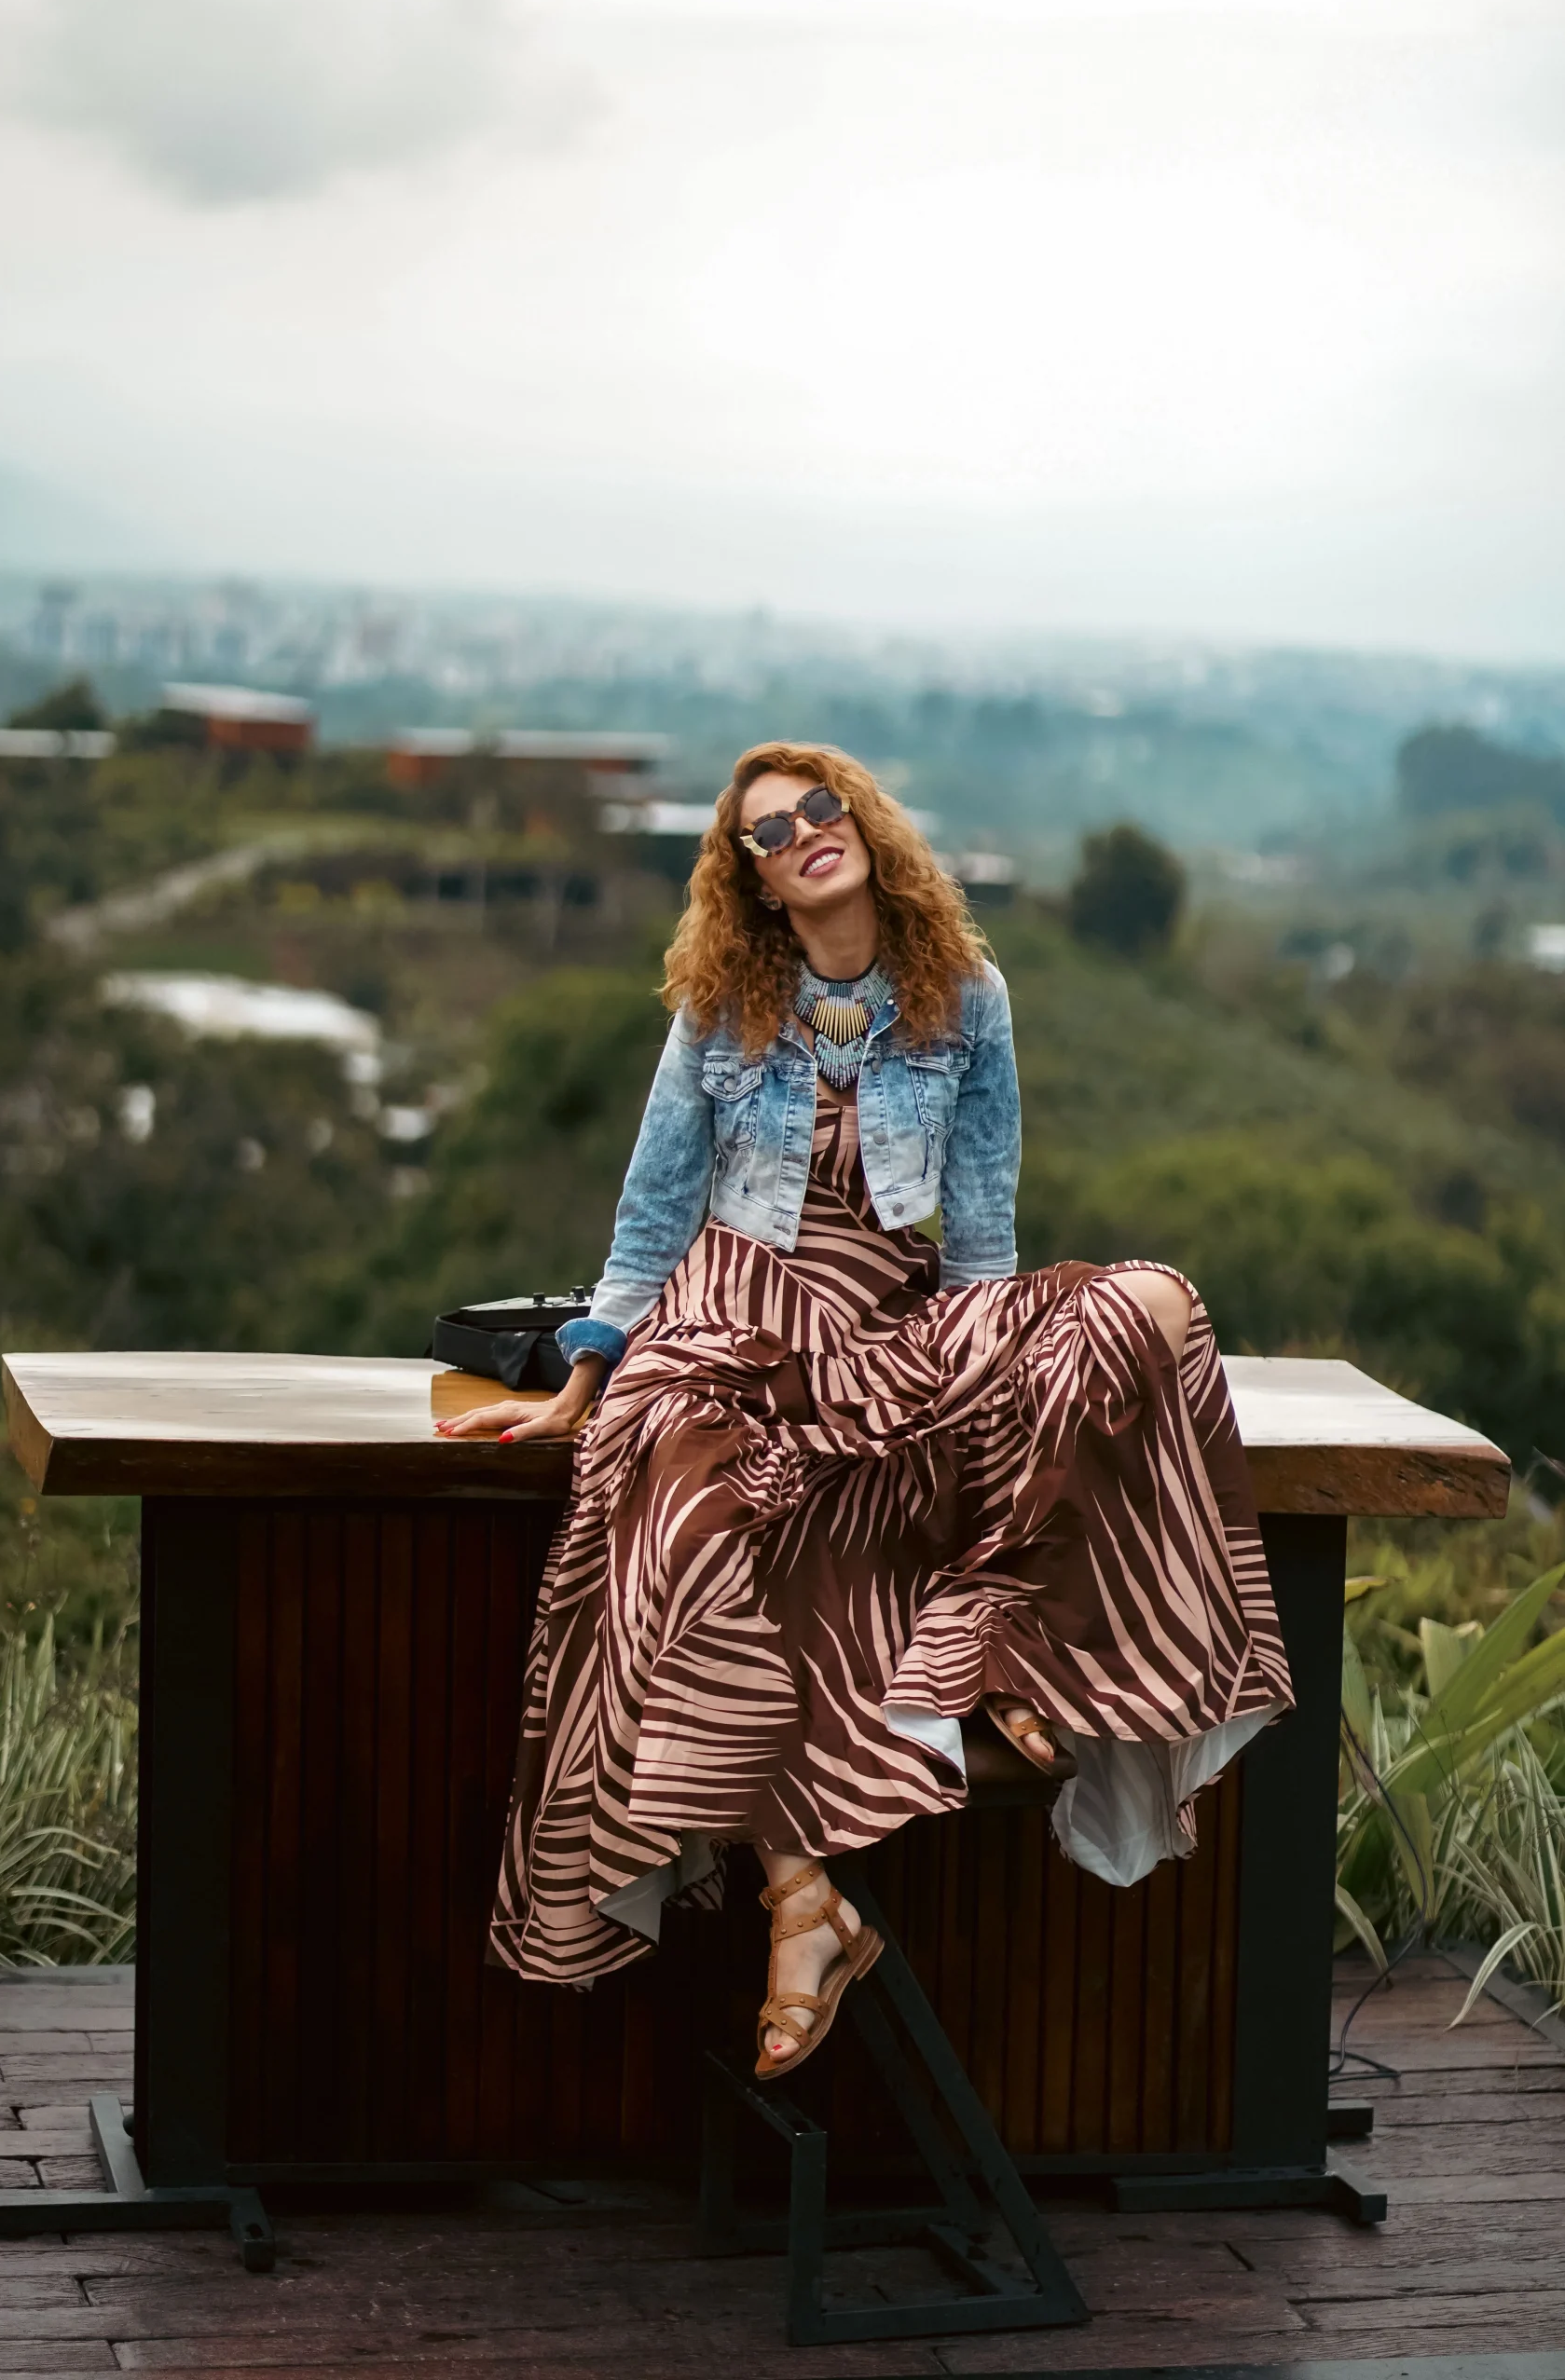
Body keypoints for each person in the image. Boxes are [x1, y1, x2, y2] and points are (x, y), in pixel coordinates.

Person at [437, 741, 1293, 2081]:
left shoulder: (968, 999)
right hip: (723, 1317)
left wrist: (991, 1365)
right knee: (687, 1511)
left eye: (819, 809)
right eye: (769, 834)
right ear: (755, 884)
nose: (802, 835)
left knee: (1145, 1308)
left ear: (865, 825)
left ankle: (1000, 1655)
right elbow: (654, 1208)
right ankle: (801, 1900)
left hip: (881, 1314)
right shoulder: (720, 1008)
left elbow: (983, 1235)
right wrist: (586, 1379)